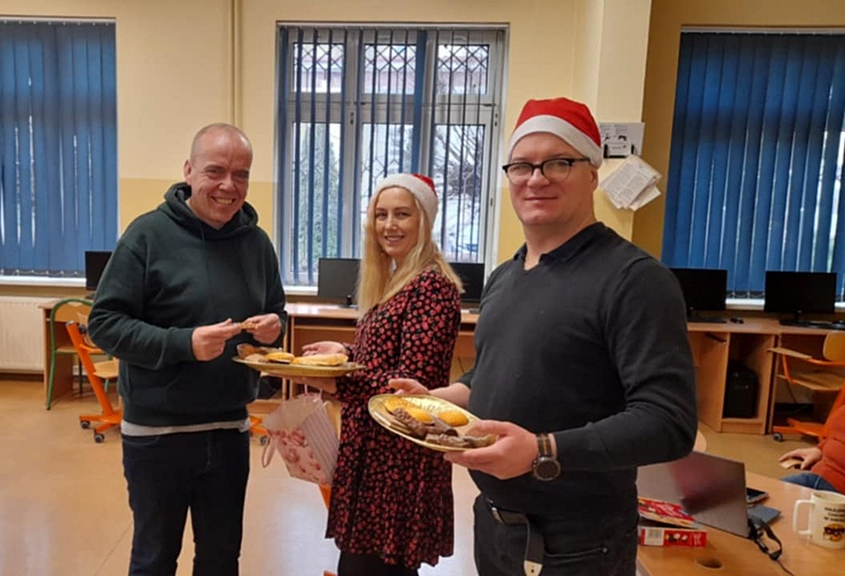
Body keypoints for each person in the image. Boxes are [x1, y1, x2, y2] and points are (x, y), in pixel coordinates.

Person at [391, 97, 698, 576]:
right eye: (522, 165)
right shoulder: (505, 277)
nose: (536, 179)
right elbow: (494, 374)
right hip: (496, 526)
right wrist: (435, 399)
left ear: (592, 172)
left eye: (559, 162)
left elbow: (668, 422)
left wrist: (542, 450)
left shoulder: (634, 280)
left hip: (578, 544)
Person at [87, 123, 287, 576]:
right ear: (189, 170)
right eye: (215, 171)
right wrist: (183, 344)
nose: (228, 186)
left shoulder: (257, 244)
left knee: (220, 560)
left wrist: (275, 328)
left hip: (229, 430)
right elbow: (104, 323)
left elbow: (277, 312)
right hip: (158, 435)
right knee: (155, 559)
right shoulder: (146, 235)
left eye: (241, 174)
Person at [294, 173, 463, 576]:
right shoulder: (395, 279)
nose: (389, 225)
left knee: (374, 568)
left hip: (397, 458)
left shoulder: (431, 287)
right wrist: (345, 353)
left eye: (402, 214)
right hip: (371, 449)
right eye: (380, 215)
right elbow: (384, 356)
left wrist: (338, 381)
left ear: (425, 220)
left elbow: (408, 387)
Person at [779, 405, 845, 493]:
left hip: (838, 491)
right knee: (767, 493)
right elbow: (836, 434)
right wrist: (820, 450)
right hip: (818, 476)